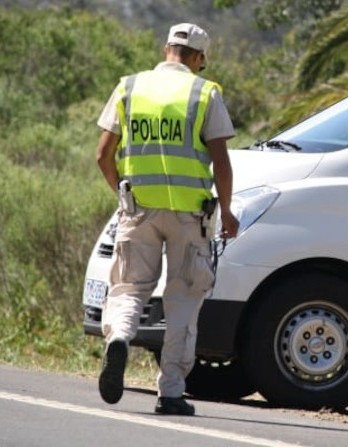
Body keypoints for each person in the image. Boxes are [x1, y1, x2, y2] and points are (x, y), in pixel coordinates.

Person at [95, 22, 239, 416]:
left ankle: (120, 338)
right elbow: (221, 163)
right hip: (189, 215)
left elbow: (102, 155)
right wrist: (226, 210)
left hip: (138, 208)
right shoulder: (204, 92)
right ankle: (171, 392)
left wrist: (123, 196)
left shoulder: (129, 87)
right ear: (197, 58)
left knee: (128, 289)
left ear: (166, 49)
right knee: (183, 299)